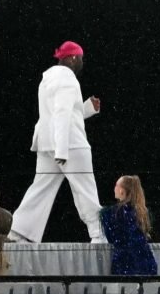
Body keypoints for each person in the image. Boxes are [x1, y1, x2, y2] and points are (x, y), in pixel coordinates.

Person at [14, 40, 102, 243]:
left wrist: (87, 108)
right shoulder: (68, 80)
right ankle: (98, 234)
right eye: (80, 58)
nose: (82, 62)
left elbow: (58, 112)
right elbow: (62, 113)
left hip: (47, 144)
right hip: (69, 145)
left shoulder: (47, 79)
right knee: (85, 189)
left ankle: (19, 231)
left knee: (41, 188)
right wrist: (61, 149)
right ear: (73, 58)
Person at [103, 175, 157, 277]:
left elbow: (111, 237)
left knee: (124, 292)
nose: (114, 188)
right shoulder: (142, 212)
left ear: (122, 191)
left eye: (116, 185)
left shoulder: (113, 213)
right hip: (146, 263)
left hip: (125, 264)